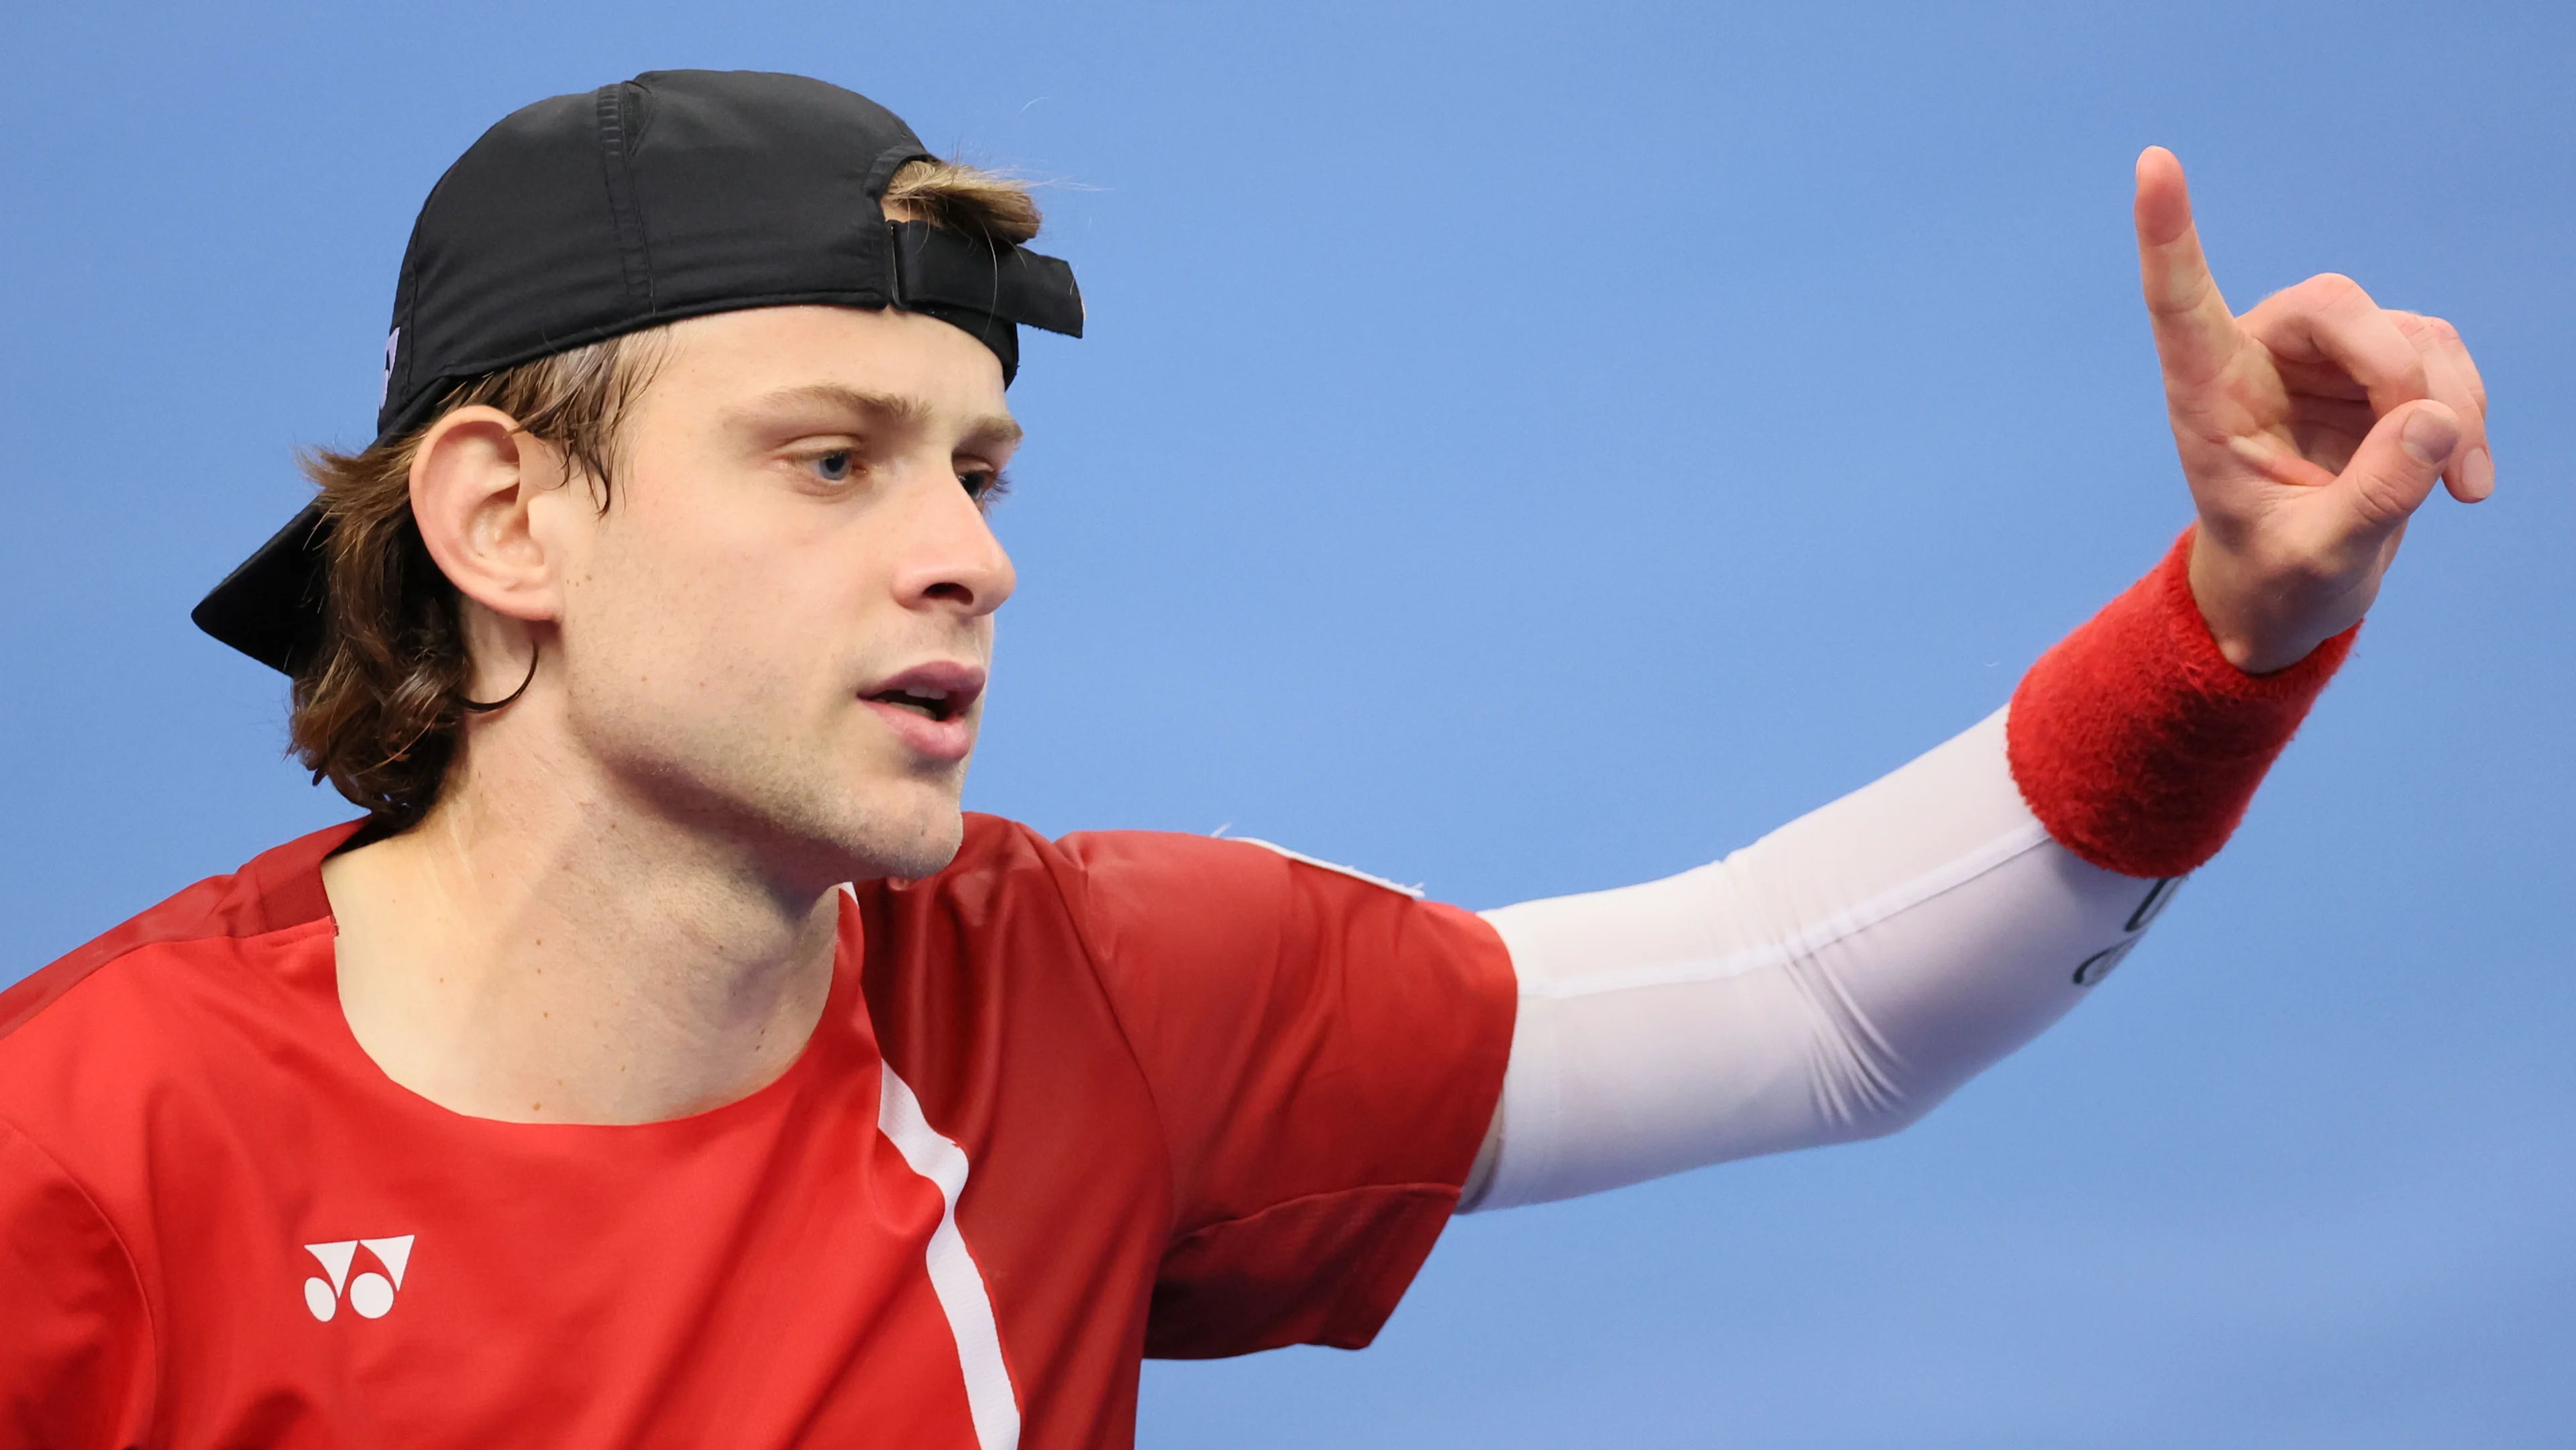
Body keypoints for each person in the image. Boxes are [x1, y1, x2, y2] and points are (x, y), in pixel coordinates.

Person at [0, 68, 2491, 1449]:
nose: (968, 556)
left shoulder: (1085, 1011)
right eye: (833, 456)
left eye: (980, 470)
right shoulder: (75, 1170)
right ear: (503, 514)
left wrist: (2242, 629)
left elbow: (1808, 1002)